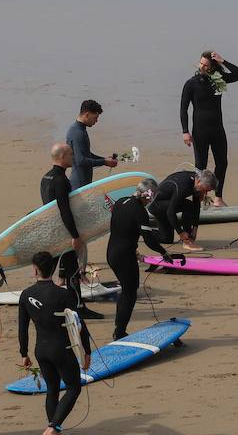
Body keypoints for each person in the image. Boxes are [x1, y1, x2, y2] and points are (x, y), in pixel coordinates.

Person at [18, 250, 92, 435]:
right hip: (61, 349)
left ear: (35, 270)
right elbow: (79, 324)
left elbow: (22, 327)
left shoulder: (26, 295)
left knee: (52, 388)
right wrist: (87, 351)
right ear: (53, 269)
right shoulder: (63, 294)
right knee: (73, 387)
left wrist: (24, 353)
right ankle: (53, 427)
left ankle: (56, 434)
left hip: (40, 349)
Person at [106, 179, 179, 340]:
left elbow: (121, 228)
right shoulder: (140, 211)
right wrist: (163, 252)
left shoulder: (120, 201)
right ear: (149, 196)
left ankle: (119, 328)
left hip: (112, 252)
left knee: (126, 291)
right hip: (124, 256)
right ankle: (119, 332)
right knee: (129, 293)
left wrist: (134, 250)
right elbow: (149, 240)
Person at [39, 142, 104, 319]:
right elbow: (64, 210)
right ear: (62, 157)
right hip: (63, 231)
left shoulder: (46, 177)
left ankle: (45, 304)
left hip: (51, 230)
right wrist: (75, 236)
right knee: (72, 271)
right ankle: (78, 307)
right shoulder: (61, 180)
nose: (73, 158)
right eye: (70, 155)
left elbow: (47, 209)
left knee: (50, 271)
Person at [180, 51, 238, 205]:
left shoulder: (219, 80)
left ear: (212, 67)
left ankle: (218, 198)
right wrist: (185, 131)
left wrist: (223, 61)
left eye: (206, 65)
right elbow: (183, 109)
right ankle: (199, 199)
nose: (201, 66)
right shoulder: (191, 83)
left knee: (222, 163)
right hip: (200, 131)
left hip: (217, 129)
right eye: (200, 63)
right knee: (200, 166)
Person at [147, 168, 217, 251]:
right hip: (156, 205)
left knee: (167, 239)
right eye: (205, 190)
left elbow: (196, 206)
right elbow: (170, 212)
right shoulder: (184, 186)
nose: (205, 193)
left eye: (207, 191)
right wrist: (181, 233)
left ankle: (140, 230)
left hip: (165, 204)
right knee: (188, 206)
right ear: (199, 182)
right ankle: (187, 241)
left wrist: (195, 229)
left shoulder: (197, 181)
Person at [66, 99, 118, 191]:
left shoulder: (79, 130)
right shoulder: (78, 133)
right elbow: (81, 161)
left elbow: (87, 154)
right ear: (87, 115)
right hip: (79, 186)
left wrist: (105, 160)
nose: (96, 121)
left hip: (81, 183)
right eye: (95, 117)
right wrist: (104, 162)